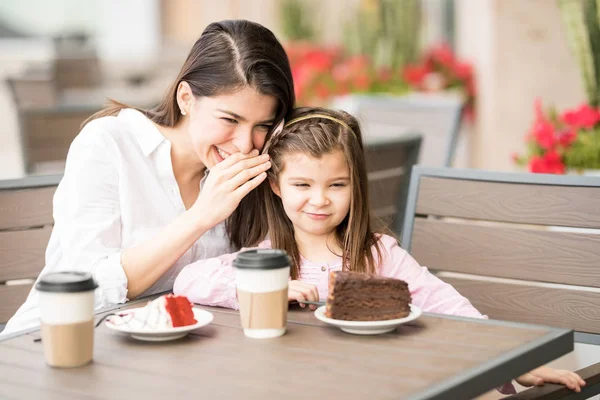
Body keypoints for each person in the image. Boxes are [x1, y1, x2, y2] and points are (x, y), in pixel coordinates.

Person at [174, 107, 586, 393]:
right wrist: (262, 289)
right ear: (277, 185)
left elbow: (452, 308)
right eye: (302, 185)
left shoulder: (379, 255)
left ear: (355, 185)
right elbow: (188, 281)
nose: (319, 200)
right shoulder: (268, 260)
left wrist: (518, 364)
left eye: (336, 185)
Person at [2, 19, 294, 336]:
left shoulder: (252, 171)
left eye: (262, 125)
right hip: (52, 342)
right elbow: (85, 286)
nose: (244, 144)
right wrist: (200, 217)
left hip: (173, 357)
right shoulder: (109, 143)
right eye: (229, 119)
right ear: (186, 98)